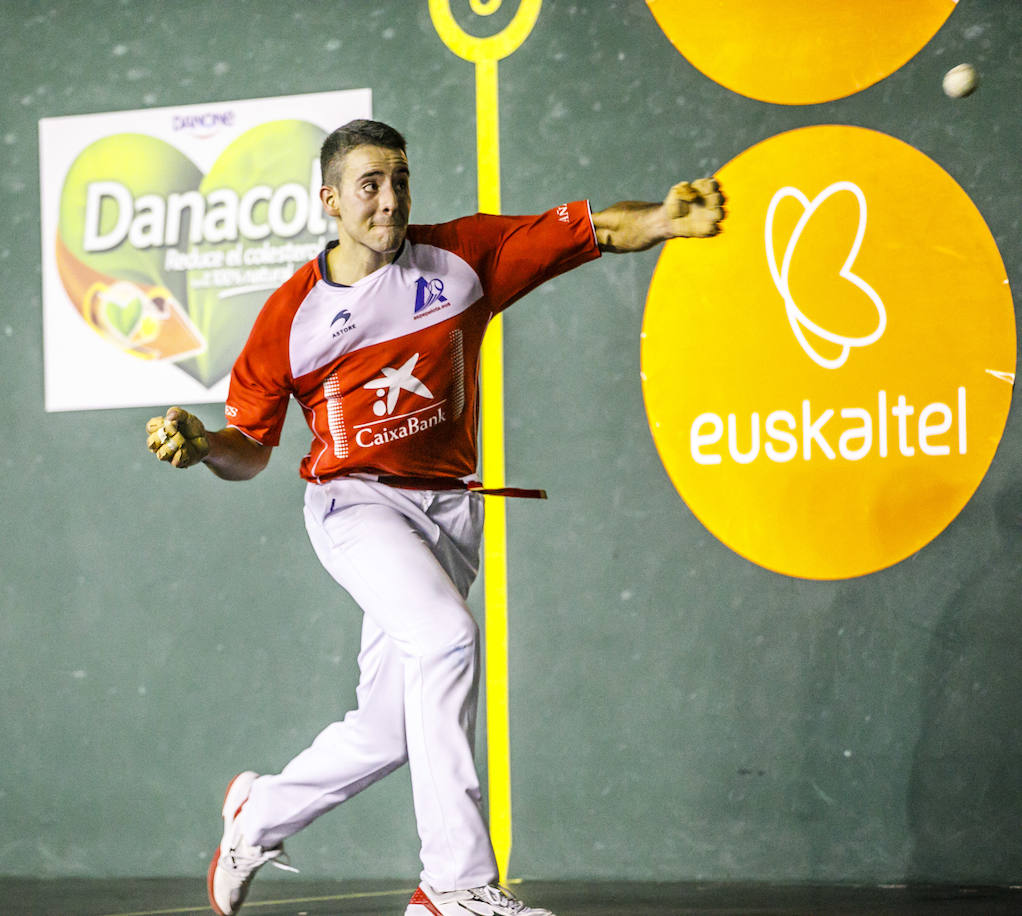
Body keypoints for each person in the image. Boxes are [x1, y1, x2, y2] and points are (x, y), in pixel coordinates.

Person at [145, 119, 724, 916]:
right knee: (448, 638)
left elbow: (582, 228)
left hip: (450, 509)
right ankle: (452, 887)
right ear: (330, 201)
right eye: (369, 186)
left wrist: (663, 219)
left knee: (390, 730)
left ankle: (258, 813)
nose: (390, 201)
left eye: (401, 181)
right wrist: (205, 442)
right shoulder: (291, 315)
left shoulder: (459, 258)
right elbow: (250, 446)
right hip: (353, 504)